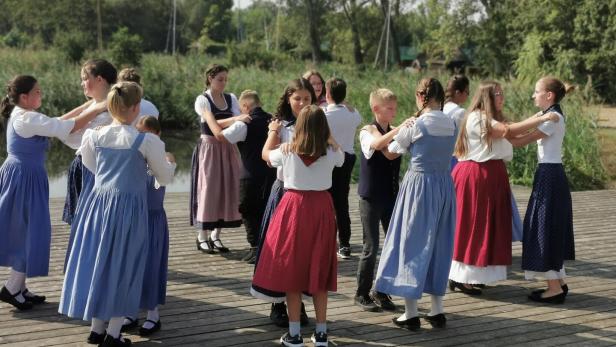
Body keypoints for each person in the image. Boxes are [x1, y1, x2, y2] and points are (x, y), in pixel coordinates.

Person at [59, 82, 176, 347]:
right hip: (130, 210)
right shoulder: (145, 140)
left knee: (99, 261)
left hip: (97, 206)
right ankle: (113, 335)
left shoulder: (94, 135)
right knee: (125, 266)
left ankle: (96, 329)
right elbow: (164, 177)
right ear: (136, 108)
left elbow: (90, 165)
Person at [0, 75, 105, 311]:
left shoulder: (25, 115)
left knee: (28, 229)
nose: (41, 94)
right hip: (23, 178)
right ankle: (12, 288)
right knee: (28, 231)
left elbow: (58, 122)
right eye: (37, 92)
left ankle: (19, 287)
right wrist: (99, 106)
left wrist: (91, 105)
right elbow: (66, 127)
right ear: (24, 97)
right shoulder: (27, 118)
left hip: (24, 176)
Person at [448, 81, 560, 295]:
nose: (502, 97)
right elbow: (507, 130)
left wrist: (540, 132)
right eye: (497, 94)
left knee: (488, 226)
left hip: (491, 176)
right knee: (474, 226)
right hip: (477, 176)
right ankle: (461, 277)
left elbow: (515, 140)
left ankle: (472, 276)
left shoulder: (493, 119)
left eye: (502, 93)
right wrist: (541, 117)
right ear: (486, 96)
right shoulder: (477, 118)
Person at [252, 105, 344, 347]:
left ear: (299, 126)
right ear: (324, 128)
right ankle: (322, 333)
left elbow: (264, 155)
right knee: (320, 270)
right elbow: (342, 158)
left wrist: (273, 132)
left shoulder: (287, 151)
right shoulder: (332, 152)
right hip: (322, 208)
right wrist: (330, 138)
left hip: (294, 208)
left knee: (292, 270)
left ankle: (294, 335)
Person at [374, 77, 457, 330]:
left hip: (419, 187)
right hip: (444, 185)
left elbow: (389, 153)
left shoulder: (417, 124)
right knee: (439, 245)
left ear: (421, 96)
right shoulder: (452, 123)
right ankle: (437, 309)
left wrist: (401, 127)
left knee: (411, 244)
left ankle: (410, 313)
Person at [250, 78, 315, 327]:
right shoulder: (279, 125)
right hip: (284, 193)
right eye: (297, 98)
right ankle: (277, 303)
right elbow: (268, 159)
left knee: (304, 251)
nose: (301, 103)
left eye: (306, 98)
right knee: (280, 250)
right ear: (288, 99)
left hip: (309, 195)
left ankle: (298, 304)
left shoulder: (317, 124)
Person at [508, 77, 575, 304]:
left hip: (550, 174)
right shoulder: (549, 114)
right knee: (546, 226)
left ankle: (554, 288)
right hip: (549, 173)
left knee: (542, 227)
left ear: (549, 96)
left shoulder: (553, 119)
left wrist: (499, 130)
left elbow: (518, 141)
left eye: (537, 92)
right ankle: (559, 282)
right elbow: (521, 130)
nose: (533, 95)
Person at [121, 116, 173, 335]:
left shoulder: (165, 156)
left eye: (147, 134)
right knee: (131, 265)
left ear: (157, 134)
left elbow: (162, 179)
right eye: (140, 134)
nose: (144, 139)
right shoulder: (134, 157)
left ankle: (153, 315)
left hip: (153, 219)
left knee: (151, 266)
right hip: (135, 218)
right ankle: (130, 312)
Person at [191, 64, 248, 253]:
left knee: (227, 189)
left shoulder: (230, 98)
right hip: (209, 149)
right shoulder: (202, 100)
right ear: (210, 79)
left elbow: (238, 119)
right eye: (219, 79)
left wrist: (234, 120)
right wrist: (234, 120)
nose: (223, 83)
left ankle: (216, 235)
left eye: (225, 79)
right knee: (209, 189)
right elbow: (213, 126)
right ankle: (202, 237)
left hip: (227, 148)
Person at [354, 88, 402, 313]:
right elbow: (376, 145)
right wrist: (401, 130)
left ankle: (381, 291)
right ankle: (361, 293)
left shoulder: (392, 131)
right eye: (389, 108)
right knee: (370, 247)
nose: (394, 112)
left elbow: (391, 153)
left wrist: (398, 132)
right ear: (376, 109)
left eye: (395, 108)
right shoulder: (366, 130)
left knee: (393, 246)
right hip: (371, 198)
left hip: (391, 196)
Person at [221, 90, 276, 264]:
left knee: (248, 211)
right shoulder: (274, 120)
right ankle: (268, 247)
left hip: (250, 175)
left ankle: (255, 248)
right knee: (268, 210)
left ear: (245, 106)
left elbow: (221, 136)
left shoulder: (244, 124)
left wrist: (231, 120)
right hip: (271, 174)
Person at [62, 59, 117, 226]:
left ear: (99, 79)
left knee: (92, 221)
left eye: (85, 78)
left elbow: (67, 128)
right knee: (79, 222)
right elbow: (62, 124)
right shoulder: (94, 104)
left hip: (99, 168)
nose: (82, 83)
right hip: (82, 165)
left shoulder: (113, 105)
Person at [323, 77, 361, 259]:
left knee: (325, 201)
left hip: (329, 158)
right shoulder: (353, 113)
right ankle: (345, 244)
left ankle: (327, 240)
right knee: (342, 203)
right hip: (348, 158)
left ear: (327, 93)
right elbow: (357, 117)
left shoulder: (322, 114)